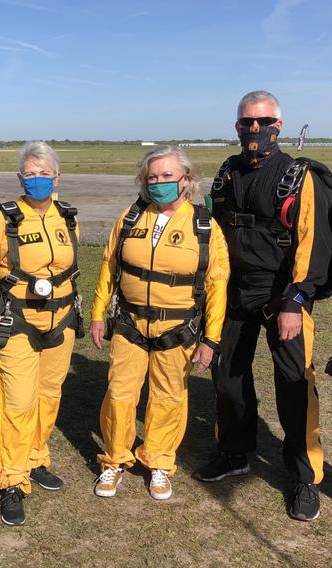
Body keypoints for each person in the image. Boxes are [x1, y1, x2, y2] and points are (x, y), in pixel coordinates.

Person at [196, 91, 332, 522]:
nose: (254, 129)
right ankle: (235, 450)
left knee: (294, 382)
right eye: (246, 122)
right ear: (237, 126)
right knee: (228, 374)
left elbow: (313, 244)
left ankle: (304, 476)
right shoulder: (227, 173)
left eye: (263, 121)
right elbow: (216, 232)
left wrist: (297, 299)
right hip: (236, 291)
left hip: (282, 295)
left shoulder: (299, 175)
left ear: (279, 123)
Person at [89, 146, 229, 500]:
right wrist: (96, 315)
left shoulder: (203, 225)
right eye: (152, 177)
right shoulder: (131, 218)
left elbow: (217, 284)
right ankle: (114, 460)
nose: (159, 183)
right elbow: (108, 267)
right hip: (129, 324)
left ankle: (160, 462)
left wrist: (211, 340)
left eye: (167, 176)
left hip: (177, 329)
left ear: (186, 180)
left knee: (168, 398)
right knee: (120, 394)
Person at [0, 141, 82, 526]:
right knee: (18, 402)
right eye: (30, 174)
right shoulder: (4, 220)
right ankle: (12, 479)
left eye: (44, 173)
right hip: (20, 323)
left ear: (56, 177)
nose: (37, 179)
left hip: (61, 322)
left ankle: (36, 457)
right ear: (20, 179)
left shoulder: (68, 218)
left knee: (48, 395)